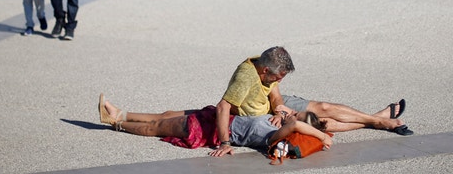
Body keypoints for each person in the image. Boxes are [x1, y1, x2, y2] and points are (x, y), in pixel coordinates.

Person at [211, 46, 411, 157]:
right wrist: (225, 143)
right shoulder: (245, 77)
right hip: (262, 116)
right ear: (265, 71)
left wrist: (280, 110)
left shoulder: (264, 63)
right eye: (279, 76)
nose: (280, 80)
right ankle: (378, 120)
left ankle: (376, 120)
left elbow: (275, 95)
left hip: (274, 108)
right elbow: (223, 106)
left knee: (323, 107)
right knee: (318, 123)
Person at [98, 94, 332, 156]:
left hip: (209, 129)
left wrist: (322, 137)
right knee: (166, 114)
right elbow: (293, 121)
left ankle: (117, 123)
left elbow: (296, 128)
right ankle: (121, 113)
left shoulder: (275, 137)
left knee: (157, 127)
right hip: (216, 117)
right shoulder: (278, 121)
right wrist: (282, 114)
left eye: (296, 115)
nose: (291, 113)